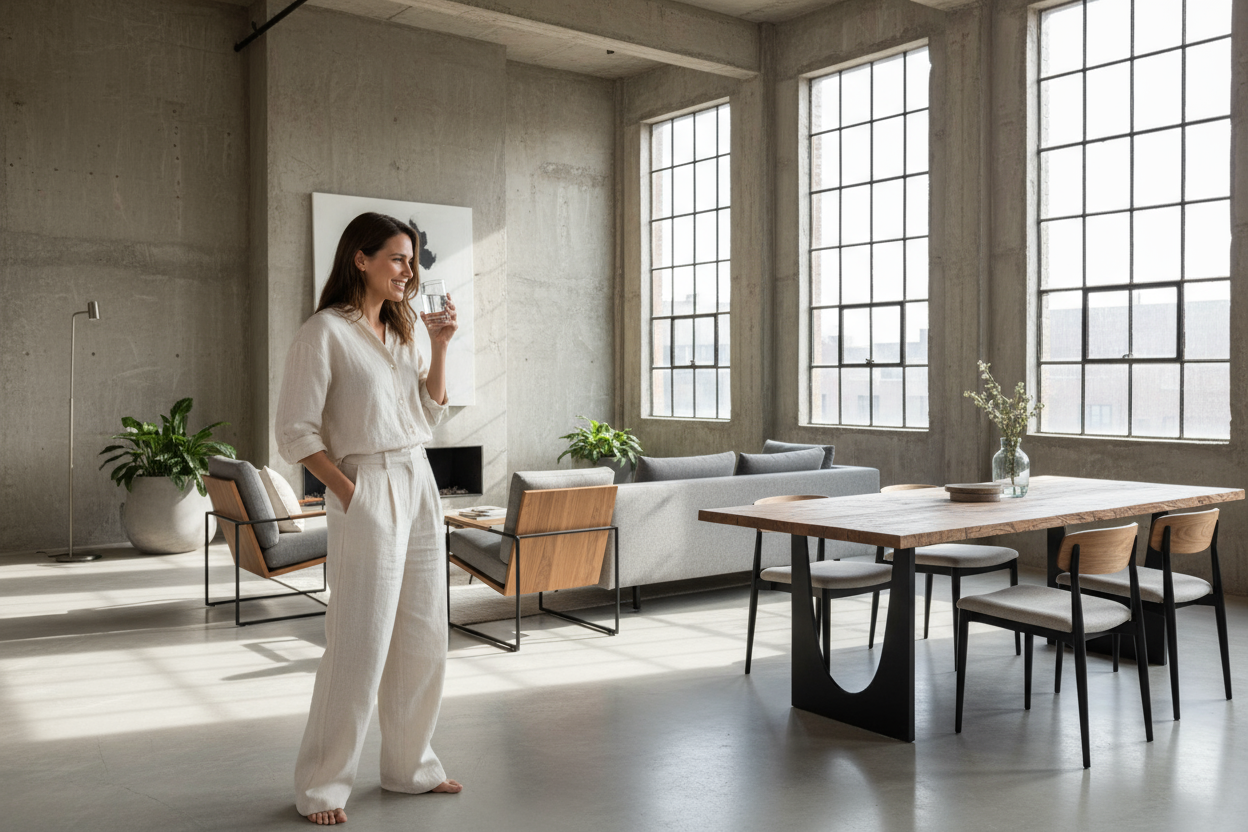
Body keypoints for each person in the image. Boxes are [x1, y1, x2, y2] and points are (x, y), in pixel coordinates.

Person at [275, 212, 462, 825]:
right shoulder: (322, 334)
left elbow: (429, 412)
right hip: (369, 486)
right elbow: (294, 433)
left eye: (412, 260)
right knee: (359, 640)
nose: (410, 270)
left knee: (423, 632)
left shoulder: (404, 332)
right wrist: (351, 493)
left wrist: (439, 346)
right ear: (361, 259)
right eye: (399, 259)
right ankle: (323, 787)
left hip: (419, 479)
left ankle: (410, 767)